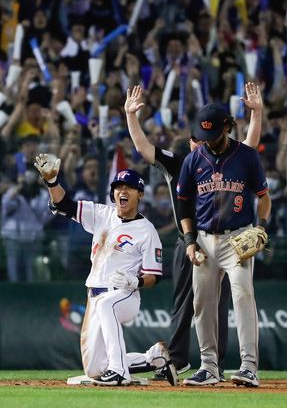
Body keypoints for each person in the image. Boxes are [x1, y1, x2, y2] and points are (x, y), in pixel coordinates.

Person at [123, 83, 263, 381]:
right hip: (195, 237)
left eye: (208, 138)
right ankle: (194, 362)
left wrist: (257, 115)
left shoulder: (235, 156)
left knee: (235, 296)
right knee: (196, 302)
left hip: (235, 236)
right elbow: (143, 148)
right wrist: (131, 117)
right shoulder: (184, 162)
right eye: (199, 139)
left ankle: (241, 365)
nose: (202, 144)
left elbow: (248, 151)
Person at [34, 154, 177, 386]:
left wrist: (135, 282)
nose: (122, 191)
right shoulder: (102, 214)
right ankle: (154, 358)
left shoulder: (147, 230)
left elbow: (155, 276)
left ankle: (119, 372)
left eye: (129, 187)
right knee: (94, 369)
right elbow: (64, 205)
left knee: (107, 304)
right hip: (94, 294)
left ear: (140, 194)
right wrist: (51, 182)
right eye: (118, 187)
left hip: (124, 294)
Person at [176, 98, 271, 387]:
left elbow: (264, 197)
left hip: (237, 239)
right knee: (202, 303)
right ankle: (209, 367)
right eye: (203, 135)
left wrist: (262, 228)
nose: (207, 141)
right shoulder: (193, 159)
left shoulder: (247, 156)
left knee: (243, 296)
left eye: (213, 134)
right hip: (204, 240)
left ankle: (249, 366)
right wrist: (190, 241)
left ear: (227, 128)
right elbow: (183, 204)